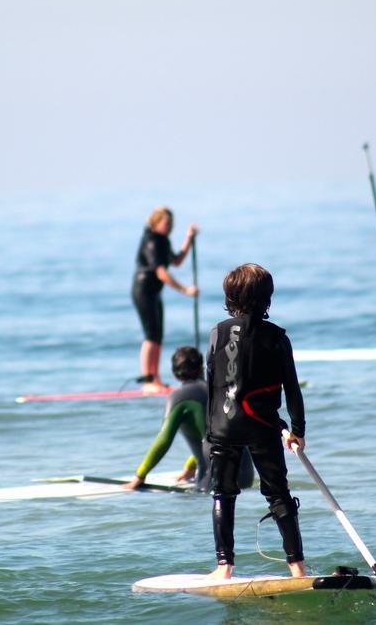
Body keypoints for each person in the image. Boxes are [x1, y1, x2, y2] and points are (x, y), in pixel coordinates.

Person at [206, 263, 307, 580]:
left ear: (230, 296)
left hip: (222, 425)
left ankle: (224, 567)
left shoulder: (217, 332)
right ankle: (297, 568)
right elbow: (292, 387)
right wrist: (297, 430)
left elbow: (213, 383)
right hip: (263, 425)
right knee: (278, 495)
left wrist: (212, 430)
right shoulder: (277, 337)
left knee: (224, 494)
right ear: (267, 298)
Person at [125, 346, 254, 492]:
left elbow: (163, 440)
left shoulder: (178, 397)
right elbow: (219, 434)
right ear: (201, 368)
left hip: (217, 476)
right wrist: (191, 466)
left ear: (175, 374)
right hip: (246, 474)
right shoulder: (222, 389)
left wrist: (140, 475)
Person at [132, 206, 198, 393]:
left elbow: (176, 261)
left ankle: (156, 380)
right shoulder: (152, 241)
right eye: (166, 223)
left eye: (171, 224)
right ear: (155, 222)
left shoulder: (163, 240)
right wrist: (185, 289)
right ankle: (148, 381)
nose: (170, 227)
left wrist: (188, 239)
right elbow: (161, 272)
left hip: (154, 292)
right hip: (144, 291)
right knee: (150, 335)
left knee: (158, 336)